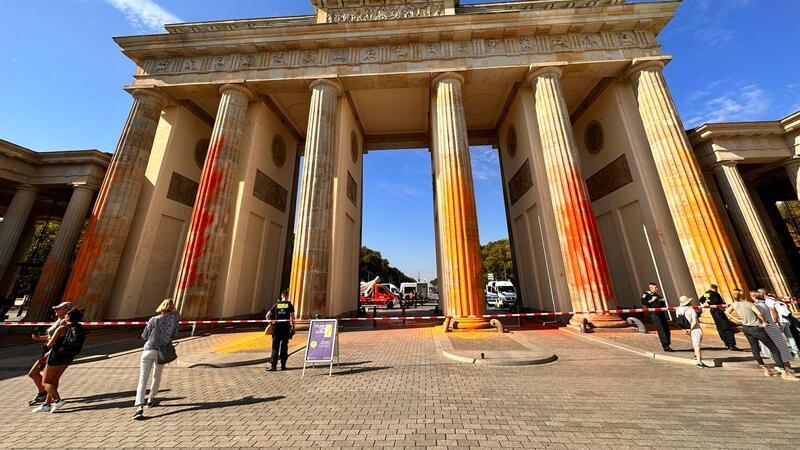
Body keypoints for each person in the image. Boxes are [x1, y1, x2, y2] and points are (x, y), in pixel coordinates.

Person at [728, 289, 796, 381]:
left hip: (746, 328)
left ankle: (766, 369)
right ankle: (784, 371)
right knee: (776, 348)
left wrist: (738, 321)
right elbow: (759, 314)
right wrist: (764, 322)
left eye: (751, 295)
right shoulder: (752, 304)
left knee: (755, 349)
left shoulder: (735, 304)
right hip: (760, 327)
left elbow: (727, 312)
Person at [133, 298, 179, 420]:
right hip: (162, 351)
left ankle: (139, 408)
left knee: (143, 379)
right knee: (156, 375)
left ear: (161, 307)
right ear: (172, 308)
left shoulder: (153, 320)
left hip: (148, 350)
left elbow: (144, 336)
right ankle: (151, 399)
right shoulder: (174, 320)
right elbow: (174, 335)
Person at [33, 308, 86, 413]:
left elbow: (49, 344)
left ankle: (57, 400)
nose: (64, 317)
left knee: (45, 382)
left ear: (68, 317)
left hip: (56, 357)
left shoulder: (62, 328)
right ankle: (46, 405)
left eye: (66, 315)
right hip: (68, 357)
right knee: (54, 381)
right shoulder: (78, 328)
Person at [27, 301, 72, 406]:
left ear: (66, 310)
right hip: (47, 349)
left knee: (34, 373)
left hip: (51, 351)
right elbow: (51, 336)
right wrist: (38, 337)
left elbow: (58, 339)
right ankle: (45, 396)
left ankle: (48, 396)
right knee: (44, 377)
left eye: (58, 308)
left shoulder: (63, 323)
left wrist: (50, 351)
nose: (55, 310)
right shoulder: (58, 320)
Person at [752, 290, 794, 370]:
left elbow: (771, 311)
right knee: (780, 345)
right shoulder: (765, 302)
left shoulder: (759, 304)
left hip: (768, 326)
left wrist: (773, 321)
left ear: (754, 296)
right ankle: (785, 366)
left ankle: (785, 366)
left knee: (776, 346)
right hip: (772, 326)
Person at [700, 284, 741, 351]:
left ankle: (727, 343)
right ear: (715, 288)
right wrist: (722, 304)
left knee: (720, 327)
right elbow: (717, 301)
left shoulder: (707, 293)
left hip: (713, 310)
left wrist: (709, 303)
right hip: (719, 310)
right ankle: (731, 344)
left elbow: (701, 300)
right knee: (726, 326)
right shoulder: (715, 293)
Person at [761, 289, 798, 357]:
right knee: (790, 336)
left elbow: (773, 310)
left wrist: (775, 321)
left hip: (779, 320)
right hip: (786, 319)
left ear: (762, 294)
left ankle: (781, 353)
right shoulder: (775, 299)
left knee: (775, 337)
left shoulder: (768, 300)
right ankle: (795, 351)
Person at [675, 296, 708, 369]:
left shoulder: (678, 309)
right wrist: (690, 329)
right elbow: (694, 321)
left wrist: (685, 329)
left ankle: (697, 355)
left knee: (696, 342)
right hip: (695, 329)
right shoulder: (691, 310)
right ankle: (699, 362)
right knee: (697, 345)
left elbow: (679, 320)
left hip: (686, 328)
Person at [266, 289, 295, 372]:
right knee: (284, 346)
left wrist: (271, 323)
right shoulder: (289, 305)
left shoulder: (276, 305)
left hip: (276, 329)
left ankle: (273, 366)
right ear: (287, 296)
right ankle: (283, 365)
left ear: (282, 295)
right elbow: (292, 317)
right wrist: (293, 327)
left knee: (275, 347)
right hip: (285, 328)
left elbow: (267, 316)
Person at [641, 283, 673, 352]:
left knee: (666, 328)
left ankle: (668, 343)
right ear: (650, 288)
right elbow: (644, 302)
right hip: (654, 313)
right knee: (660, 328)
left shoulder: (657, 295)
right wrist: (651, 300)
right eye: (655, 287)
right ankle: (665, 345)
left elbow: (662, 303)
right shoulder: (646, 294)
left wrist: (662, 301)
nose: (657, 288)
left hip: (661, 313)